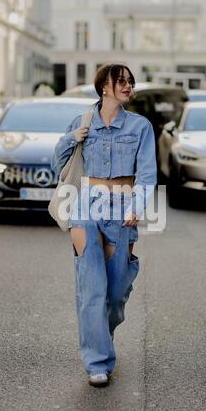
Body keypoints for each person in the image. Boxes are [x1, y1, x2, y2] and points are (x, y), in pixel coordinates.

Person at [51, 64, 157, 387]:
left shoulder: (140, 127)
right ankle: (98, 362)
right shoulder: (82, 123)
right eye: (120, 81)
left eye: (130, 81)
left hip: (123, 208)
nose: (127, 86)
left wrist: (137, 206)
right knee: (92, 285)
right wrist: (71, 139)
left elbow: (147, 173)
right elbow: (58, 164)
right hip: (85, 206)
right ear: (104, 88)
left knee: (115, 291)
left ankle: (102, 333)